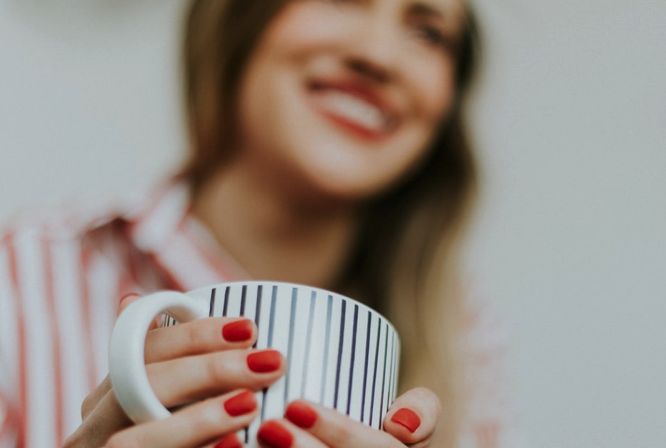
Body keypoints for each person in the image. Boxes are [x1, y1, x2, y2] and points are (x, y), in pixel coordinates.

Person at [0, 0, 511, 447]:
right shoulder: (20, 279)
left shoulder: (461, 340)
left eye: (429, 32)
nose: (378, 55)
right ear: (242, 18)